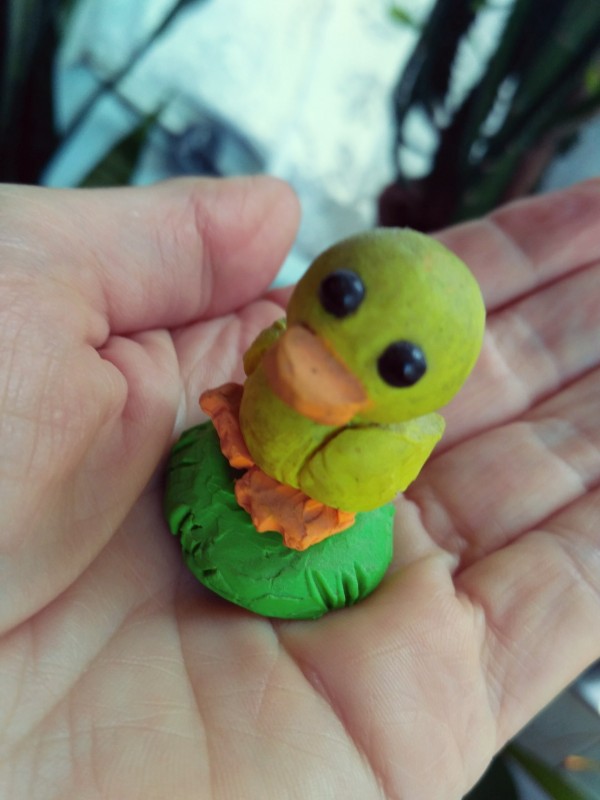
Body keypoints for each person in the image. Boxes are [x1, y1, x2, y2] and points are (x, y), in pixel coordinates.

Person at [0, 175, 598, 800]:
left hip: (303, 514)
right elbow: (268, 362)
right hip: (234, 454)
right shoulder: (283, 341)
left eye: (399, 366)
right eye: (340, 295)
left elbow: (349, 482)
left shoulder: (389, 443)